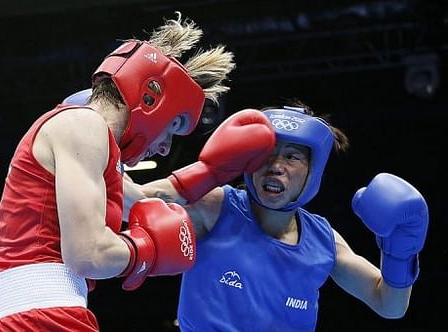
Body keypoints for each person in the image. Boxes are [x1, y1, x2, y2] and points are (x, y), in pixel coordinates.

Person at [0, 12, 236, 331]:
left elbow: (144, 200)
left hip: (34, 316)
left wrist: (214, 171)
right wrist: (146, 247)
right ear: (152, 100)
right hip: (41, 318)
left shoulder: (89, 145)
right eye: (171, 129)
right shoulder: (83, 125)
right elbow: (89, 254)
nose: (165, 148)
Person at [125, 101, 429, 331]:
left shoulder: (323, 241)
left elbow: (390, 305)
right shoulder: (216, 207)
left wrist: (401, 251)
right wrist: (205, 173)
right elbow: (134, 202)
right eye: (267, 153)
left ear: (313, 171)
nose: (275, 165)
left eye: (292, 156)